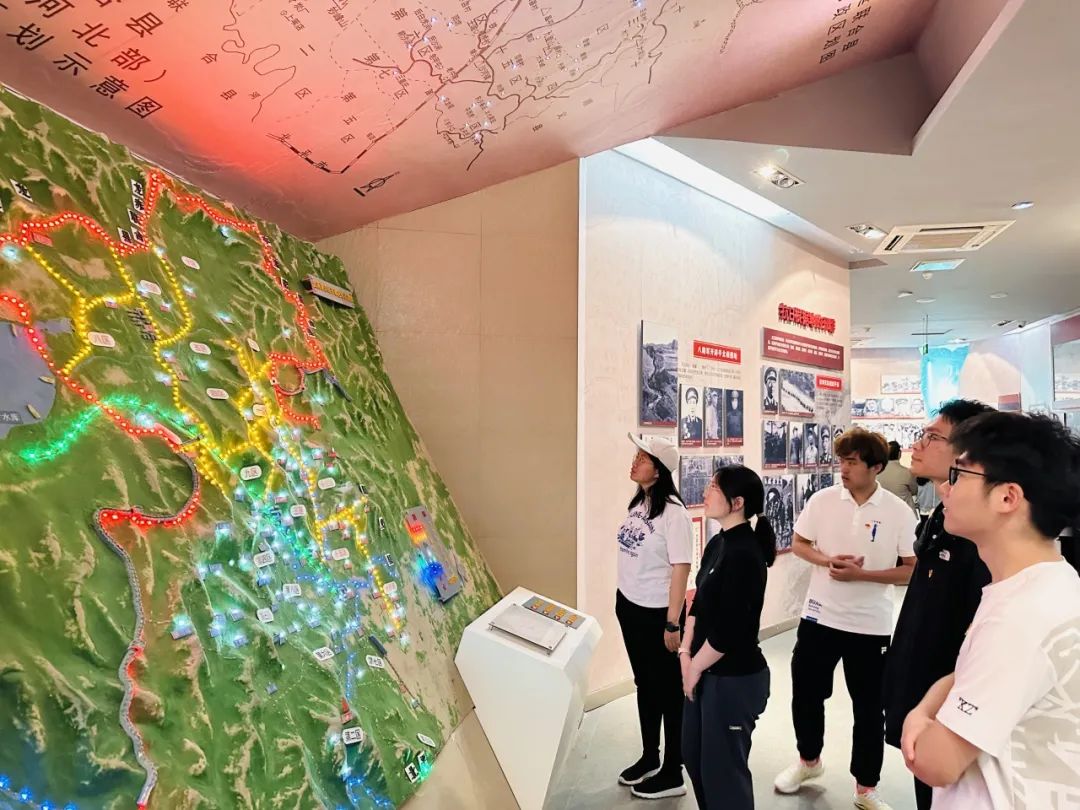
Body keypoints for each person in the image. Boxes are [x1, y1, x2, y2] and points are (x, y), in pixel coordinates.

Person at [901, 412, 1080, 808]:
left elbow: (934, 762)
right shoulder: (1050, 581)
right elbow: (971, 674)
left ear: (1007, 497)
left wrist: (917, 716)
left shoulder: (1018, 617)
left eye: (959, 475)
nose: (945, 488)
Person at [774, 428, 917, 810]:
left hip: (870, 625)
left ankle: (866, 787)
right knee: (807, 694)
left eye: (852, 462)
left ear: (876, 467)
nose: (844, 468)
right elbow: (800, 543)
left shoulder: (898, 512)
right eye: (841, 460)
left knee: (869, 709)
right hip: (819, 616)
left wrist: (863, 575)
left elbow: (912, 569)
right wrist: (827, 561)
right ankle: (808, 761)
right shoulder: (822, 500)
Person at [882, 399, 993, 810]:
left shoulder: (979, 535)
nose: (918, 444)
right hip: (921, 690)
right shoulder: (941, 520)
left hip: (951, 705)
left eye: (932, 437)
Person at [681, 465, 775, 809]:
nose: (705, 493)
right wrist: (685, 651)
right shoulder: (719, 542)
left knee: (723, 775)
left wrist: (693, 668)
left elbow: (730, 630)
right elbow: (699, 602)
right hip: (704, 669)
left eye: (713, 488)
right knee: (694, 756)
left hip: (734, 677)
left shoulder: (745, 554)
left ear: (737, 503)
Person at [617, 433, 692, 799]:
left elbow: (681, 568)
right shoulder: (640, 503)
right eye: (636, 455)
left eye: (643, 458)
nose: (635, 462)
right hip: (630, 606)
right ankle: (650, 756)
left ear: (659, 470)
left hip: (658, 615)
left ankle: (673, 771)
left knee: (669, 692)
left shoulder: (674, 514)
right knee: (645, 685)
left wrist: (672, 622)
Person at [878, 440, 918, 514]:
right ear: (899, 454)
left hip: (884, 512)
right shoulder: (907, 472)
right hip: (905, 513)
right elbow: (914, 491)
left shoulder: (877, 473)